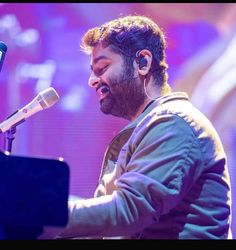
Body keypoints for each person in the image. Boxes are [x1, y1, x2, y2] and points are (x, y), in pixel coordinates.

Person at [39, 15, 232, 239]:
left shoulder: (174, 123)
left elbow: (129, 210)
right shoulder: (152, 126)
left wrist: (40, 214)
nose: (92, 80)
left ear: (143, 62)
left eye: (102, 67)